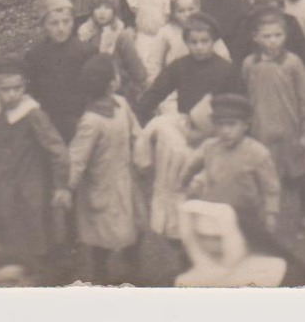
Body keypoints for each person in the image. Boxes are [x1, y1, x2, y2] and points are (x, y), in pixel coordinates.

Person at [0, 56, 71, 276]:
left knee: (34, 232)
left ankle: (39, 273)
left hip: (28, 186)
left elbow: (57, 150)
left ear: (24, 87)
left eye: (17, 88)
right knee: (5, 226)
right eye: (5, 89)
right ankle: (13, 268)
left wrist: (61, 185)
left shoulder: (32, 114)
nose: (11, 94)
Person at [67, 55, 144, 284]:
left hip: (126, 181)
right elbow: (77, 157)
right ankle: (101, 277)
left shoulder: (121, 104)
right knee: (103, 237)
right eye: (117, 73)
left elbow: (136, 133)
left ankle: (133, 273)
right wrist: (66, 187)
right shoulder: (91, 121)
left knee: (136, 228)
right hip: (102, 187)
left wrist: (144, 155)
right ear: (111, 82)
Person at [239, 11, 305, 229]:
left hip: (290, 127)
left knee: (298, 168)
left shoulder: (292, 63)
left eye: (278, 35)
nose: (273, 41)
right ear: (256, 37)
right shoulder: (249, 64)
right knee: (263, 170)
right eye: (267, 36)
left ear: (285, 36)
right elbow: (245, 94)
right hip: (261, 127)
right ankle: (266, 211)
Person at [135, 98, 212, 275]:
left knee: (185, 231)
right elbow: (144, 140)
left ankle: (188, 262)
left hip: (185, 194)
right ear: (189, 124)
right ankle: (185, 257)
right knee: (168, 228)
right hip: (166, 187)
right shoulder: (165, 127)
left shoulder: (201, 149)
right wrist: (144, 162)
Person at [183, 94, 281, 232]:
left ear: (245, 126)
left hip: (247, 215)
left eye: (231, 124)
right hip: (215, 211)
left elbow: (270, 187)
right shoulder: (209, 147)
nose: (225, 131)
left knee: (246, 248)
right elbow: (191, 166)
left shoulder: (257, 153)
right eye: (220, 125)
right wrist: (185, 184)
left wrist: (271, 214)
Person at [174, 200, 305, 287]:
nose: (212, 245)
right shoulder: (192, 279)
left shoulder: (272, 269)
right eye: (203, 237)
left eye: (218, 237)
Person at [21, 0, 97, 143]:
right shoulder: (36, 55)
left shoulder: (86, 51)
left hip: (81, 122)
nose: (61, 28)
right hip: (49, 122)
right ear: (44, 25)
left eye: (66, 21)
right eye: (54, 23)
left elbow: (95, 92)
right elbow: (31, 92)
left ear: (73, 22)